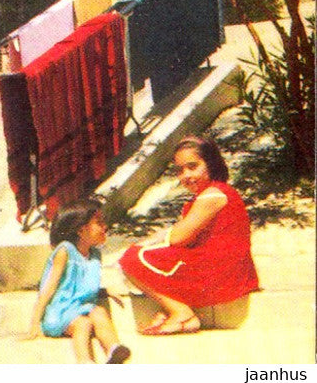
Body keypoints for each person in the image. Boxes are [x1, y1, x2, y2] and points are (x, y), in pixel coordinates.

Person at [119, 135, 259, 335]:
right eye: (180, 170)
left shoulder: (213, 194)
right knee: (147, 254)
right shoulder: (210, 194)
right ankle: (174, 310)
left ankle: (181, 313)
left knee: (131, 258)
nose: (186, 175)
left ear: (211, 163)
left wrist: (145, 244)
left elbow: (178, 238)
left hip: (222, 273)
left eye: (193, 167)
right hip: (224, 268)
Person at [24, 198, 131, 364]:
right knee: (83, 324)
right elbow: (49, 288)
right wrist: (35, 322)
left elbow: (81, 285)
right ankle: (84, 362)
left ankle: (114, 349)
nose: (105, 227)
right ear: (81, 230)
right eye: (99, 223)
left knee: (99, 312)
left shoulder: (95, 255)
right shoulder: (65, 251)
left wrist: (105, 291)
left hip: (82, 308)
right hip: (59, 313)